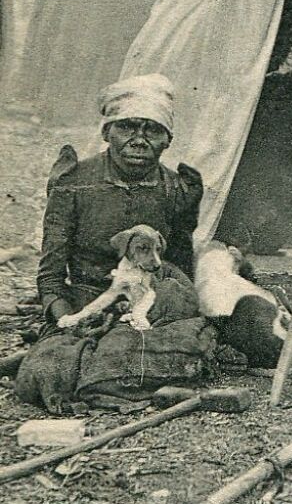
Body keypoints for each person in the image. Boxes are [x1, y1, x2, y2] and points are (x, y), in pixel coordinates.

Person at [17, 74, 212, 411]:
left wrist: (164, 307)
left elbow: (177, 265)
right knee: (49, 368)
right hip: (86, 298)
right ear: (106, 133)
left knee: (177, 343)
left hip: (146, 304)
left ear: (168, 139)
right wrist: (67, 317)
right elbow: (50, 275)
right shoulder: (74, 183)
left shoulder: (177, 188)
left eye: (152, 130)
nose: (139, 140)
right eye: (127, 128)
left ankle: (108, 369)